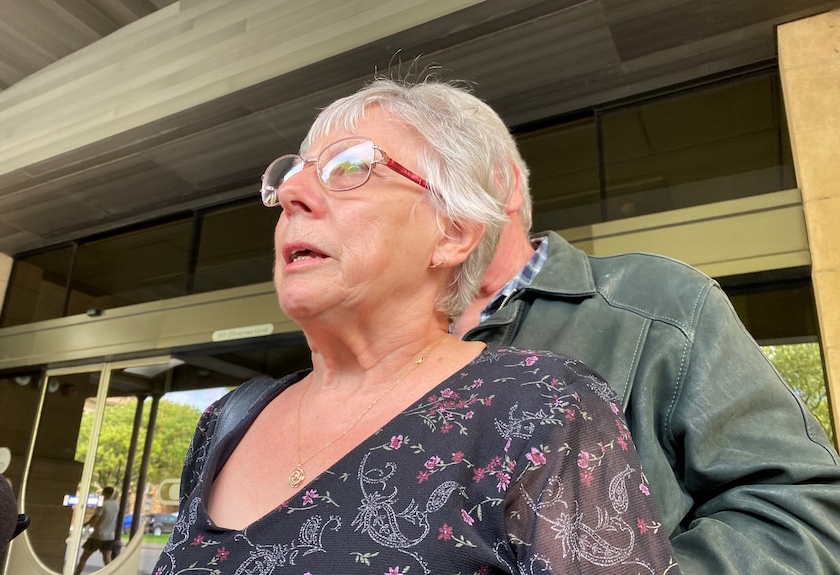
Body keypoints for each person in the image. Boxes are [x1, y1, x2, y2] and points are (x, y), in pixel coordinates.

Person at [153, 80, 680, 574]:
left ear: (452, 235)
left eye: (349, 167)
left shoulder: (545, 407)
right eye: (295, 176)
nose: (293, 194)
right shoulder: (228, 418)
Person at [428, 88, 840, 572]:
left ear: (503, 184)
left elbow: (803, 514)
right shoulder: (382, 349)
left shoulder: (661, 300)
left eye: (429, 181)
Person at [75, 486, 119, 575]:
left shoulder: (103, 504)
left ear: (104, 493)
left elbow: (95, 517)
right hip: (109, 537)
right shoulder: (116, 505)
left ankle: (77, 573)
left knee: (84, 557)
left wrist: (85, 525)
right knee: (107, 559)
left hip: (97, 535)